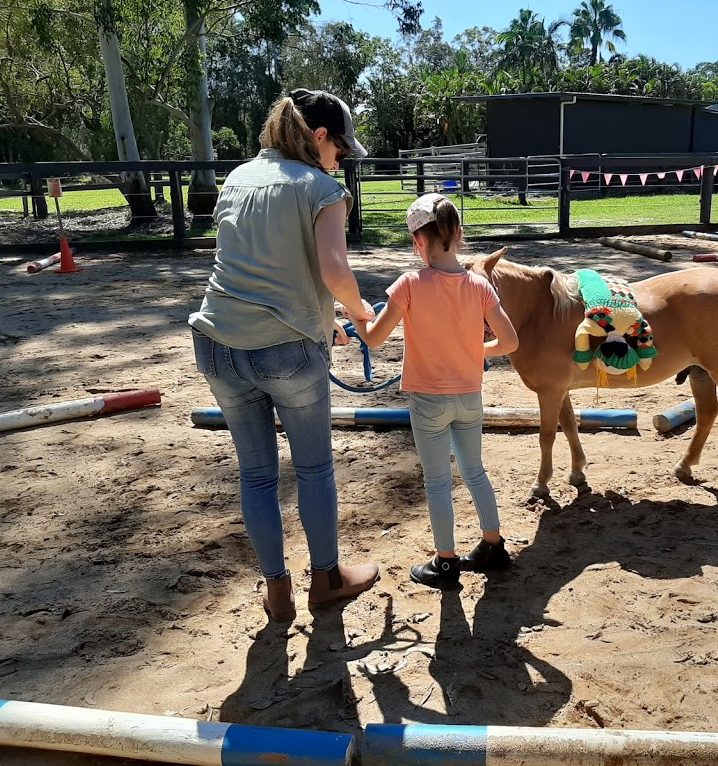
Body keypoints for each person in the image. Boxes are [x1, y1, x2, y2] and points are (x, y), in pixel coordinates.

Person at [188, 89, 379, 623]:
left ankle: (277, 592)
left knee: (256, 475)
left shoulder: (238, 177)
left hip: (218, 344)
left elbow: (262, 269)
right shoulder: (322, 188)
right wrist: (362, 315)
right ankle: (326, 578)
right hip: (285, 352)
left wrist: (328, 320)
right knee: (315, 469)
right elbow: (334, 271)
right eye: (340, 146)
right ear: (320, 138)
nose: (341, 157)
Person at [348, 193, 519, 589]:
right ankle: (493, 546)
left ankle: (446, 562)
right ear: (459, 234)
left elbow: (373, 339)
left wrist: (355, 316)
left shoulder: (408, 284)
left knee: (439, 481)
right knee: (475, 471)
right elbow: (509, 342)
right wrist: (473, 350)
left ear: (417, 242)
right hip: (469, 395)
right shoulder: (479, 285)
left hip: (427, 399)